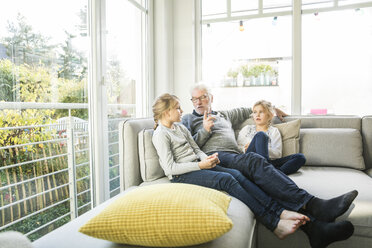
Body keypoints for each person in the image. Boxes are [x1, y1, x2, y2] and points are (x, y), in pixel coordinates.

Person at [153, 93, 354, 247]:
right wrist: (204, 139)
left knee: (249, 170)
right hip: (196, 166)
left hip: (213, 160)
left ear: (211, 97)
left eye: (203, 97)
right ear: (166, 112)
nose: (195, 103)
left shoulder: (206, 120)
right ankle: (297, 211)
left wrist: (273, 108)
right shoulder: (182, 123)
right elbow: (175, 164)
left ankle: (315, 227)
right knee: (244, 170)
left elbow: (197, 149)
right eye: (190, 101)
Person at [237, 99, 305, 175]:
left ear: (270, 115)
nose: (257, 115)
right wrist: (245, 148)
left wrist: (260, 146)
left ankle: (275, 174)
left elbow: (277, 154)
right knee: (260, 135)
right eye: (255, 112)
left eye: (261, 112)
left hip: (269, 162)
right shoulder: (246, 129)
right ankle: (269, 173)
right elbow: (238, 147)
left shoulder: (274, 131)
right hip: (250, 160)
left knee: (300, 157)